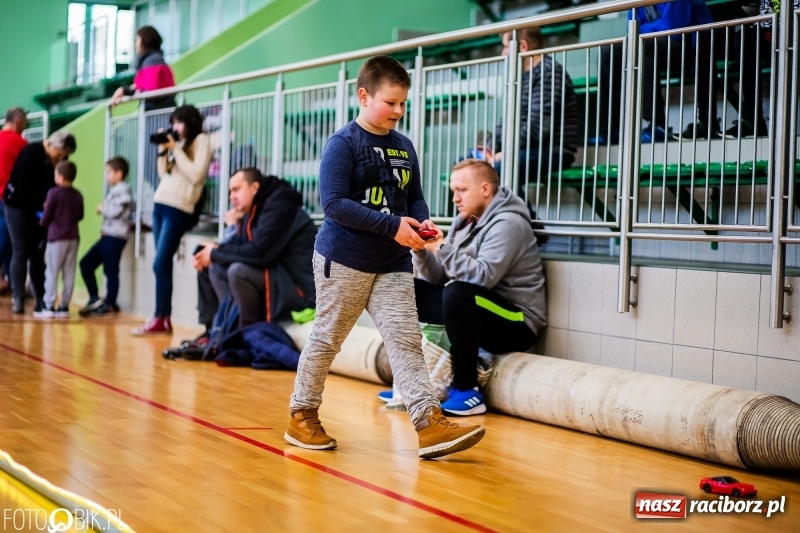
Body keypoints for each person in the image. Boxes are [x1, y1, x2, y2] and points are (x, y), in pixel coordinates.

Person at [286, 55, 485, 459]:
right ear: (364, 96)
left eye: (403, 104)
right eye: (390, 102)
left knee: (406, 341)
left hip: (392, 263)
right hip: (343, 259)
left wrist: (424, 224)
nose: (398, 110)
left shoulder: (404, 146)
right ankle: (301, 414)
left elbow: (414, 198)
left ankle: (429, 423)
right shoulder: (343, 144)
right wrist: (391, 226)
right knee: (327, 339)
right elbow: (335, 204)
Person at [409, 159, 546, 416]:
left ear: (485, 189)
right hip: (476, 308)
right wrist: (421, 252)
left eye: (461, 190)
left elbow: (482, 277)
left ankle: (466, 390)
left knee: (459, 293)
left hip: (517, 321)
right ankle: (413, 383)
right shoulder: (466, 220)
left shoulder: (509, 223)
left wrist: (440, 247)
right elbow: (438, 277)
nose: (455, 198)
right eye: (453, 191)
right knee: (406, 289)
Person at [193, 168, 317, 335]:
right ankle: (215, 331)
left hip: (298, 290)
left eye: (236, 189)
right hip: (277, 278)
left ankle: (247, 334)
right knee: (212, 265)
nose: (231, 197)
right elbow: (241, 247)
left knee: (238, 271)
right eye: (230, 191)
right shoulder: (253, 211)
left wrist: (216, 253)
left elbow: (259, 254)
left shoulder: (279, 207)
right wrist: (213, 250)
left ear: (254, 188)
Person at [131, 105, 212, 336]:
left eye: (179, 122)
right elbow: (163, 174)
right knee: (162, 263)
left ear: (190, 122)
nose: (175, 127)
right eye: (173, 122)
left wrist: (175, 148)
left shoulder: (202, 140)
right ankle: (162, 319)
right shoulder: (180, 145)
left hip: (179, 208)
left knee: (160, 262)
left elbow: (197, 175)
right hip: (160, 203)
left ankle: (161, 315)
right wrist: (163, 151)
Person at [597, 0, 716, 142]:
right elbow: (631, 30)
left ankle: (657, 125)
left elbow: (672, 27)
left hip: (692, 47)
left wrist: (641, 30)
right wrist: (642, 32)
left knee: (642, 44)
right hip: (657, 46)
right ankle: (610, 130)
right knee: (608, 52)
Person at [493, 27, 579, 195]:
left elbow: (538, 127)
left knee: (495, 171)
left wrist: (506, 152)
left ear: (523, 46)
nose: (503, 53)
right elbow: (506, 121)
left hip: (551, 151)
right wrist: (489, 149)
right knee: (467, 164)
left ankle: (521, 221)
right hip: (524, 148)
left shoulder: (549, 71)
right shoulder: (518, 75)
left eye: (505, 47)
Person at [3, 131, 76, 315]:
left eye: (64, 156)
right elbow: (23, 185)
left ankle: (41, 298)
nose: (61, 158)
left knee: (38, 253)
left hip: (38, 209)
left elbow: (55, 185)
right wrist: (43, 202)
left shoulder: (56, 160)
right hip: (17, 206)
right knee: (20, 249)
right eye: (59, 154)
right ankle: (18, 296)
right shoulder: (32, 151)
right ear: (51, 146)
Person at [78, 157, 132, 318]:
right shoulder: (115, 191)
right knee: (86, 264)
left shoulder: (122, 190)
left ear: (119, 173)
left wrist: (102, 208)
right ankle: (95, 298)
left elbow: (115, 212)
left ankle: (110, 304)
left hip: (116, 237)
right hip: (108, 236)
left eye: (109, 172)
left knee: (111, 270)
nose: (106, 176)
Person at [35, 161, 84, 318]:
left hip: (56, 238)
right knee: (69, 272)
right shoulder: (77, 194)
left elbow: (47, 216)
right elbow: (80, 215)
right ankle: (64, 307)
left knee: (52, 272)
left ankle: (49, 305)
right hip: (73, 237)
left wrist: (41, 219)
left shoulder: (54, 193)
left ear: (61, 177)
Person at [110, 25, 176, 111]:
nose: (135, 44)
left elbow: (151, 92)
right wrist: (124, 90)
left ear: (145, 40)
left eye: (137, 40)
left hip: (158, 113)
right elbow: (142, 89)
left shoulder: (152, 61)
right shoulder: (150, 60)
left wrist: (134, 92)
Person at [0, 107, 27, 292]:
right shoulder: (22, 144)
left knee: (7, 244)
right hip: (9, 201)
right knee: (12, 244)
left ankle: (12, 285)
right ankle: (16, 289)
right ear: (18, 121)